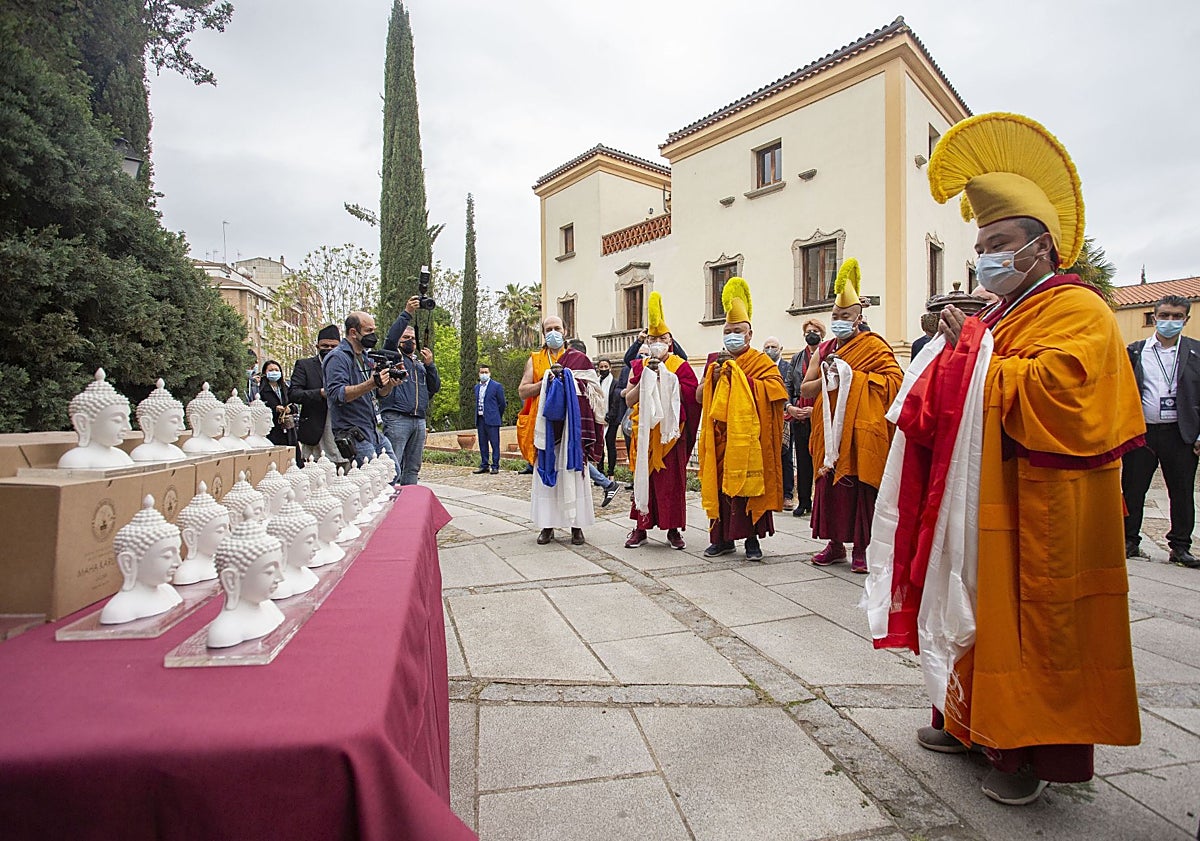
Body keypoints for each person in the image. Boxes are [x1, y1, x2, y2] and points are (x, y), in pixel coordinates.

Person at [864, 112, 1143, 806]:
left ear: (1041, 246)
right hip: (979, 502)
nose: (985, 256)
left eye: (999, 243)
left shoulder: (1080, 311)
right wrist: (959, 353)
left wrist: (971, 354)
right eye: (980, 245)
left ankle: (1028, 754)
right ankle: (966, 722)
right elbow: (952, 395)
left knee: (1033, 627)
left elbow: (1062, 394)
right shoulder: (999, 316)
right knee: (969, 609)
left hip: (1042, 506)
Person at [800, 259, 902, 573]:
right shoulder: (825, 348)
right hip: (830, 429)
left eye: (845, 316)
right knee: (830, 488)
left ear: (858, 319)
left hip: (859, 429)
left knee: (859, 488)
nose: (839, 321)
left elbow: (895, 382)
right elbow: (808, 387)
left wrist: (852, 376)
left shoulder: (873, 346)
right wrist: (829, 371)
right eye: (835, 316)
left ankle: (862, 548)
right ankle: (834, 545)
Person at [696, 277, 787, 561]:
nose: (732, 336)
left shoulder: (760, 362)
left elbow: (777, 391)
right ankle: (722, 540)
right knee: (721, 491)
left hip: (749, 440)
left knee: (748, 490)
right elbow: (700, 397)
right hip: (721, 437)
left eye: (738, 331)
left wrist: (742, 379)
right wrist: (712, 378)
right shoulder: (714, 361)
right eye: (728, 331)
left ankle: (751, 542)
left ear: (749, 335)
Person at [1123, 295, 1200, 567]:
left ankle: (1180, 547)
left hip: (1180, 434)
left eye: (1176, 316)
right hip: (1141, 433)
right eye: (1164, 315)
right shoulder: (1135, 351)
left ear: (1185, 320)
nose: (1169, 321)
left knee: (1180, 492)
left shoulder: (1196, 352)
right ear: (1154, 317)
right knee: (1133, 489)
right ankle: (1129, 541)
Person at [517, 317, 607, 545]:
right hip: (545, 427)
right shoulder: (536, 360)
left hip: (573, 428)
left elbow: (594, 390)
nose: (553, 333)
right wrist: (546, 381)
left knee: (575, 474)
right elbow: (523, 391)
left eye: (557, 328)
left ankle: (577, 526)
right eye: (549, 330)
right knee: (547, 474)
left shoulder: (579, 359)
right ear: (543, 334)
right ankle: (547, 526)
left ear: (565, 331)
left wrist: (568, 381)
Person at [623, 293, 700, 549]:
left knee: (672, 483)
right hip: (645, 433)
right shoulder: (639, 365)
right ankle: (640, 528)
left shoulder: (681, 366)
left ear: (671, 342)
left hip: (672, 434)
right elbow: (628, 400)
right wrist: (647, 377)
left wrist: (668, 379)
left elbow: (691, 396)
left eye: (663, 339)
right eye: (653, 339)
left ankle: (674, 530)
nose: (658, 343)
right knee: (644, 480)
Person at [323, 311, 399, 480]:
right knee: (373, 480)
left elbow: (378, 393)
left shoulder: (365, 357)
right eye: (368, 331)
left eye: (374, 330)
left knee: (393, 473)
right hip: (353, 432)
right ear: (353, 332)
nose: (373, 335)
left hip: (372, 429)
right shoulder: (337, 358)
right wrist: (371, 383)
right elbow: (338, 394)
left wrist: (388, 385)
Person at [381, 296, 441, 485]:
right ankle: (389, 504)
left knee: (413, 468)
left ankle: (409, 505)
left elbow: (435, 387)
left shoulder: (419, 364)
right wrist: (407, 313)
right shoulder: (393, 357)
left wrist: (430, 365)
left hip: (418, 420)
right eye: (406, 338)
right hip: (398, 418)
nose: (410, 341)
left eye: (413, 339)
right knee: (393, 466)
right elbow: (390, 339)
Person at [568, 339, 621, 505]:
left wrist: (605, 419)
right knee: (575, 458)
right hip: (574, 423)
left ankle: (607, 483)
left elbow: (603, 401)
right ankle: (607, 483)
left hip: (586, 423)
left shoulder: (587, 376)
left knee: (579, 457)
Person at [290, 325, 346, 467]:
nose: (329, 349)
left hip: (342, 429)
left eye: (333, 346)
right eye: (325, 346)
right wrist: (320, 393)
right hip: (316, 431)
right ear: (317, 346)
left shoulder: (347, 365)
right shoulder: (305, 365)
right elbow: (294, 394)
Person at [786, 319, 825, 517]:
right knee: (802, 460)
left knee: (821, 460)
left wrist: (816, 410)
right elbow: (788, 386)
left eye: (816, 330)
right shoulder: (796, 358)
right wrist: (790, 407)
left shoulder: (828, 356)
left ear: (822, 334)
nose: (812, 333)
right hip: (800, 417)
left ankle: (821, 501)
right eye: (808, 330)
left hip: (821, 417)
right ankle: (803, 501)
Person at [762, 337, 793, 511]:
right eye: (767, 347)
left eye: (773, 347)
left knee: (785, 456)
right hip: (765, 417)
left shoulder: (787, 367)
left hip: (784, 416)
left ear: (780, 349)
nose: (770, 350)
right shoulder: (760, 366)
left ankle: (787, 495)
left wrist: (788, 407)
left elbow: (790, 388)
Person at [472, 364, 507, 475]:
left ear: (490, 373)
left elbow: (502, 403)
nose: (483, 374)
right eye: (482, 372)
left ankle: (495, 465)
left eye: (486, 372)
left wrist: (497, 415)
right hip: (480, 418)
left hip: (492, 419)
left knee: (494, 443)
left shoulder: (496, 386)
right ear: (479, 373)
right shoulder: (477, 387)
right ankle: (484, 464)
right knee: (482, 443)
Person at [256, 360, 295, 447]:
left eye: (277, 370)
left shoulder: (286, 388)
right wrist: (275, 408)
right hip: (272, 428)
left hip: (288, 427)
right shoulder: (261, 390)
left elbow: (295, 405)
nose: (274, 372)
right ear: (265, 373)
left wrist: (290, 409)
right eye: (271, 370)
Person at [597, 358, 619, 476]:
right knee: (599, 446)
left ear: (610, 368)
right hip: (598, 418)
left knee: (610, 445)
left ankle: (611, 472)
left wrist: (608, 417)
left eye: (606, 367)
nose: (604, 369)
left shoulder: (615, 383)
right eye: (602, 367)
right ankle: (600, 471)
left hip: (611, 420)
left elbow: (615, 402)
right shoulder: (596, 382)